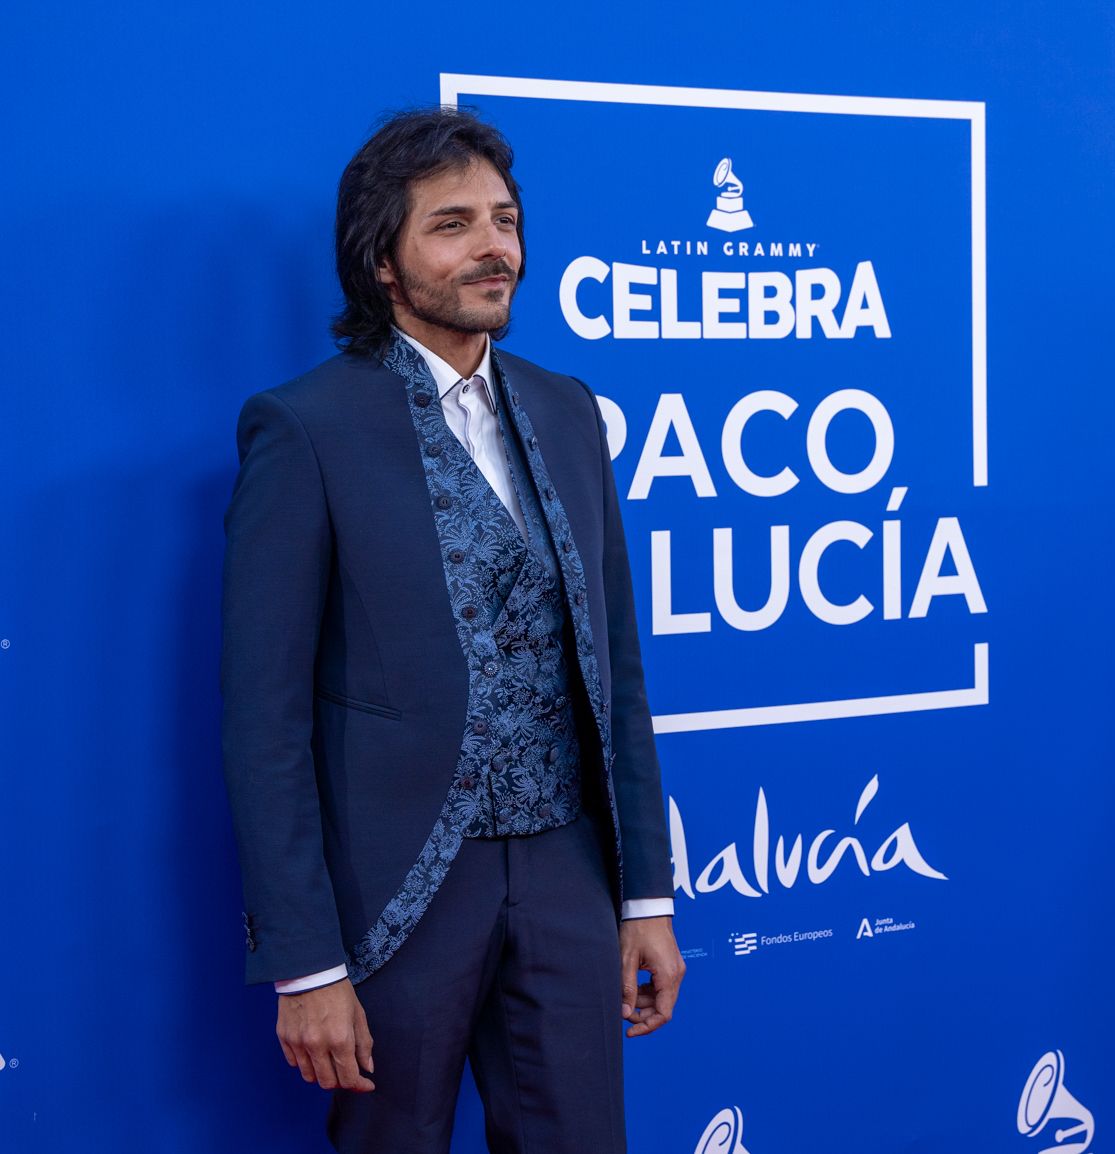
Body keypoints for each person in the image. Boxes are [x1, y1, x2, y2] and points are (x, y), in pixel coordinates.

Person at [220, 107, 684, 1153]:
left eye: (506, 220)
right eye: (453, 224)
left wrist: (644, 893)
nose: (495, 248)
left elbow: (617, 668)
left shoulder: (567, 410)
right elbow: (265, 721)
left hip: (568, 867)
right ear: (382, 261)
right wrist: (307, 963)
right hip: (397, 888)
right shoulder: (306, 428)